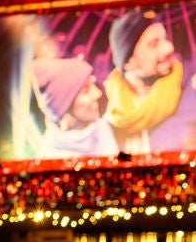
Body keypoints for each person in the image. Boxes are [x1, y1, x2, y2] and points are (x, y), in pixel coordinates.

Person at [106, 11, 190, 153]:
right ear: (128, 62)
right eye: (153, 44)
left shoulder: (189, 90)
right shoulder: (106, 118)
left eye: (165, 38)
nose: (169, 48)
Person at [33, 54, 117, 158]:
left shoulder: (103, 129)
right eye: (86, 90)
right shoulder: (49, 160)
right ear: (65, 110)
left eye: (93, 84)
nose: (98, 93)